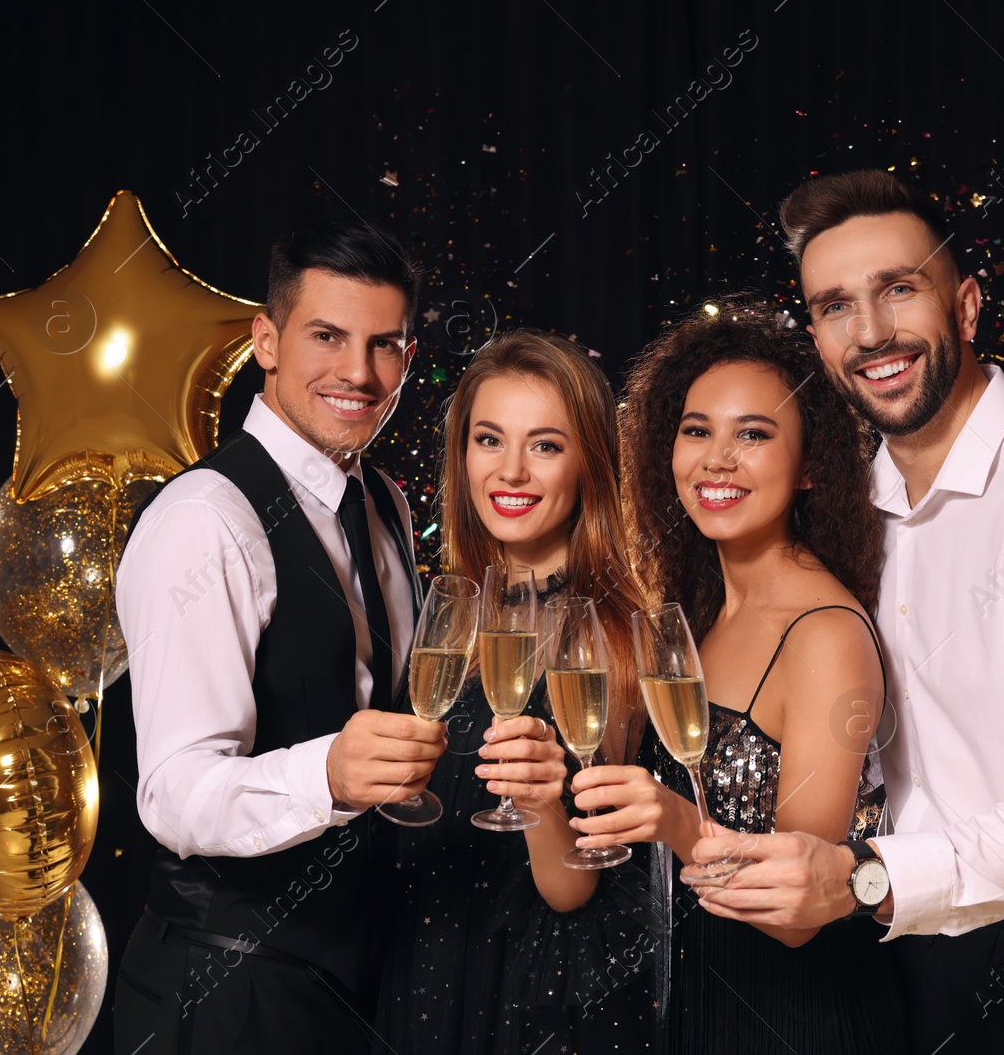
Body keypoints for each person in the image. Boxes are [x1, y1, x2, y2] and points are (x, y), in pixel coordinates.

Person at [690, 170, 1004, 1051]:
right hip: (886, 973)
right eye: (836, 305)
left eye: (898, 290)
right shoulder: (854, 508)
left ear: (965, 305)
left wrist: (871, 877)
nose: (871, 332)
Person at [112, 218, 445, 1054]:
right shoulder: (204, 520)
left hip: (356, 981)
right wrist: (326, 773)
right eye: (327, 336)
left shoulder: (383, 504)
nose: (358, 373)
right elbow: (174, 791)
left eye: (386, 345)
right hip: (229, 992)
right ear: (266, 339)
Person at [568, 303, 909, 1053]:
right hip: (695, 1009)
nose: (716, 458)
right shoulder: (698, 609)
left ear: (812, 462)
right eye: (698, 430)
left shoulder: (824, 634)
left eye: (753, 434)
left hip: (796, 1021)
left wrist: (674, 818)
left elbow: (799, 914)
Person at [377, 330, 661, 1053]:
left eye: (544, 445)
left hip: (539, 999)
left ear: (589, 462)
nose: (510, 471)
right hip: (421, 968)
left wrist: (539, 807)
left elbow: (576, 891)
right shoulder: (443, 610)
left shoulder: (620, 633)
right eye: (488, 439)